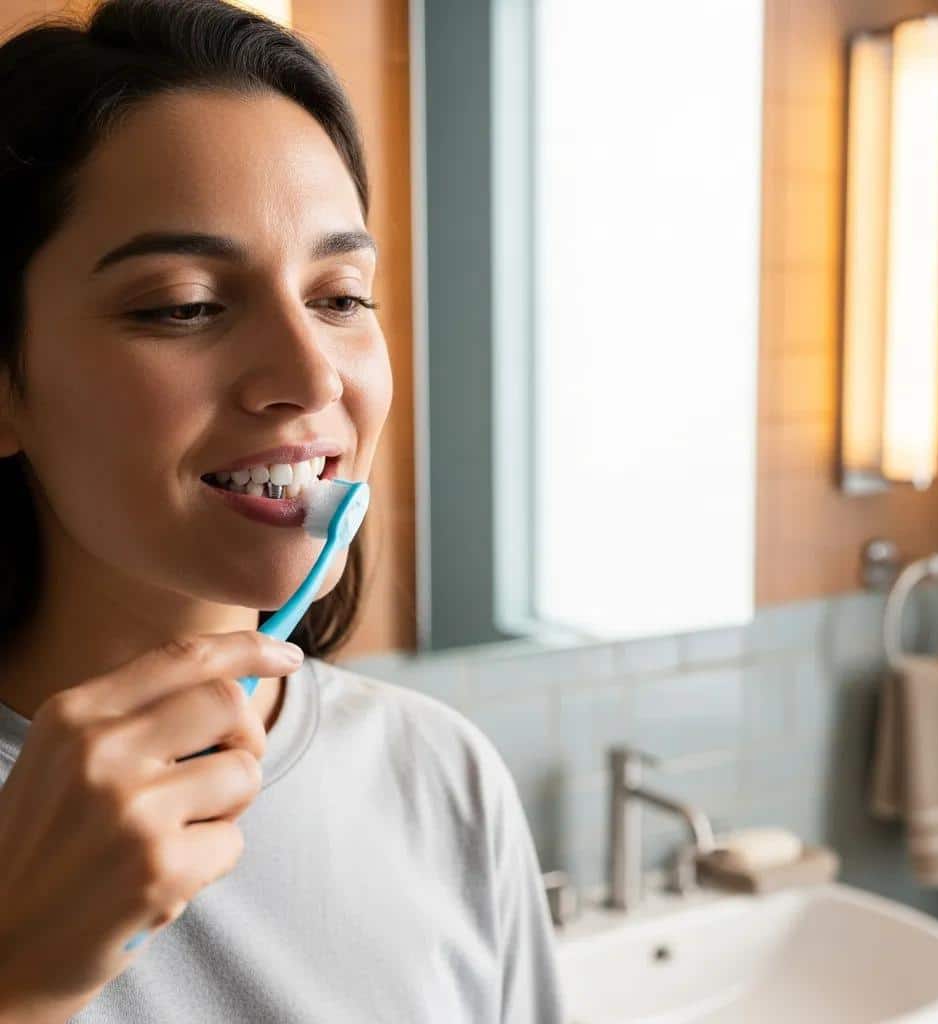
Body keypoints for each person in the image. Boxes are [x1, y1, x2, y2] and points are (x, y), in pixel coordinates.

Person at [0, 1, 565, 1020]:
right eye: (183, 304)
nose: (311, 375)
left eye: (341, 296)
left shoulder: (440, 776)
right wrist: (20, 980)